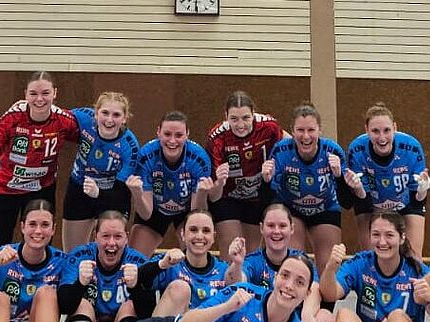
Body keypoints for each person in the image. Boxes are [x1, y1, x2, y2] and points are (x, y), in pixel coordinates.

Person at [0, 71, 79, 319]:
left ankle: (39, 300)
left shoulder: (64, 121)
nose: (39, 99)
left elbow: (88, 133)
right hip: (4, 190)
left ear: (55, 94)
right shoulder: (13, 118)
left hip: (41, 190)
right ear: (25, 95)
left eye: (45, 93)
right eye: (34, 93)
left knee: (40, 242)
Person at [51, 255, 321, 322]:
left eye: (299, 282)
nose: (289, 285)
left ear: (307, 292)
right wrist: (227, 307)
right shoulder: (245, 294)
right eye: (285, 275)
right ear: (275, 277)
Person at [320, 211, 430, 322]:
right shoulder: (360, 263)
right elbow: (330, 295)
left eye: (389, 235)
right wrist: (330, 268)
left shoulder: (417, 270)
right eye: (376, 235)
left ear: (402, 238)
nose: (382, 242)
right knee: (344, 314)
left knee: (397, 316)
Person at [263, 103, 365, 273]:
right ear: (292, 131)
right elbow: (268, 199)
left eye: (311, 130)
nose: (306, 136)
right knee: (293, 264)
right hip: (292, 208)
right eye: (300, 130)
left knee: (329, 267)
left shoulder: (333, 151)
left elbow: (347, 203)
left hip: (325, 208)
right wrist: (266, 180)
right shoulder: (281, 151)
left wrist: (339, 177)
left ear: (320, 130)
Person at [223, 203, 333, 322]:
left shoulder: (301, 259)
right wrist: (236, 264)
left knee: (325, 317)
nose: (276, 231)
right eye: (270, 225)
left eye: (282, 226)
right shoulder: (253, 261)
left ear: (291, 229)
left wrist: (307, 316)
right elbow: (235, 283)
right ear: (261, 228)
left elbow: (314, 289)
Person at [206, 90, 287, 261]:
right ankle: (229, 278)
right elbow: (213, 196)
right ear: (226, 116)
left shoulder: (268, 127)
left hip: (257, 194)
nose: (240, 125)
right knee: (231, 249)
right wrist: (219, 181)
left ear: (254, 114)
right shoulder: (217, 138)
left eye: (246, 118)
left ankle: (250, 279)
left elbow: (288, 144)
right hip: (227, 196)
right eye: (234, 119)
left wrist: (275, 169)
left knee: (251, 253)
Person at [346, 102, 430, 259]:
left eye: (387, 130)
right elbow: (362, 203)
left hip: (406, 204)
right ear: (367, 130)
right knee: (372, 258)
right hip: (371, 205)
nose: (382, 138)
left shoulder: (411, 148)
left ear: (395, 128)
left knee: (413, 258)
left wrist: (422, 190)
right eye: (375, 131)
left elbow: (417, 202)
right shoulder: (357, 150)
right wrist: (358, 189)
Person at [125, 111, 213, 257]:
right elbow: (146, 214)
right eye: (167, 134)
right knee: (134, 259)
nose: (172, 141)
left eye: (179, 135)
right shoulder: (146, 155)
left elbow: (197, 214)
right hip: (155, 209)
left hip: (187, 210)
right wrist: (137, 194)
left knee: (196, 255)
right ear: (158, 132)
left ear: (187, 134)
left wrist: (203, 193)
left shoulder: (199, 158)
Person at [62, 92, 141, 252]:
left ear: (125, 118)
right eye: (105, 113)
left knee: (111, 248)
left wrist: (98, 193)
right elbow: (52, 116)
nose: (109, 120)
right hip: (79, 188)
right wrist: (23, 107)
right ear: (96, 113)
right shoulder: (83, 117)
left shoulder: (130, 147)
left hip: (113, 195)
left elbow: (122, 192)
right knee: (73, 253)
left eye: (116, 115)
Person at [57, 210, 150, 322]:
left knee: (130, 307)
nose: (111, 243)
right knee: (82, 305)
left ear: (126, 238)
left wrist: (135, 287)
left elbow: (148, 313)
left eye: (118, 236)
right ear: (95, 237)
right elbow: (64, 306)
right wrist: (80, 284)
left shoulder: (138, 262)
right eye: (105, 236)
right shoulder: (79, 256)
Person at [134, 210, 228, 317]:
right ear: (183, 235)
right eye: (193, 230)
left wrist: (238, 264)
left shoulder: (224, 270)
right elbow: (137, 281)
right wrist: (161, 265)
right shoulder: (169, 261)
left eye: (206, 231)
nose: (199, 236)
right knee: (179, 288)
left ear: (213, 237)